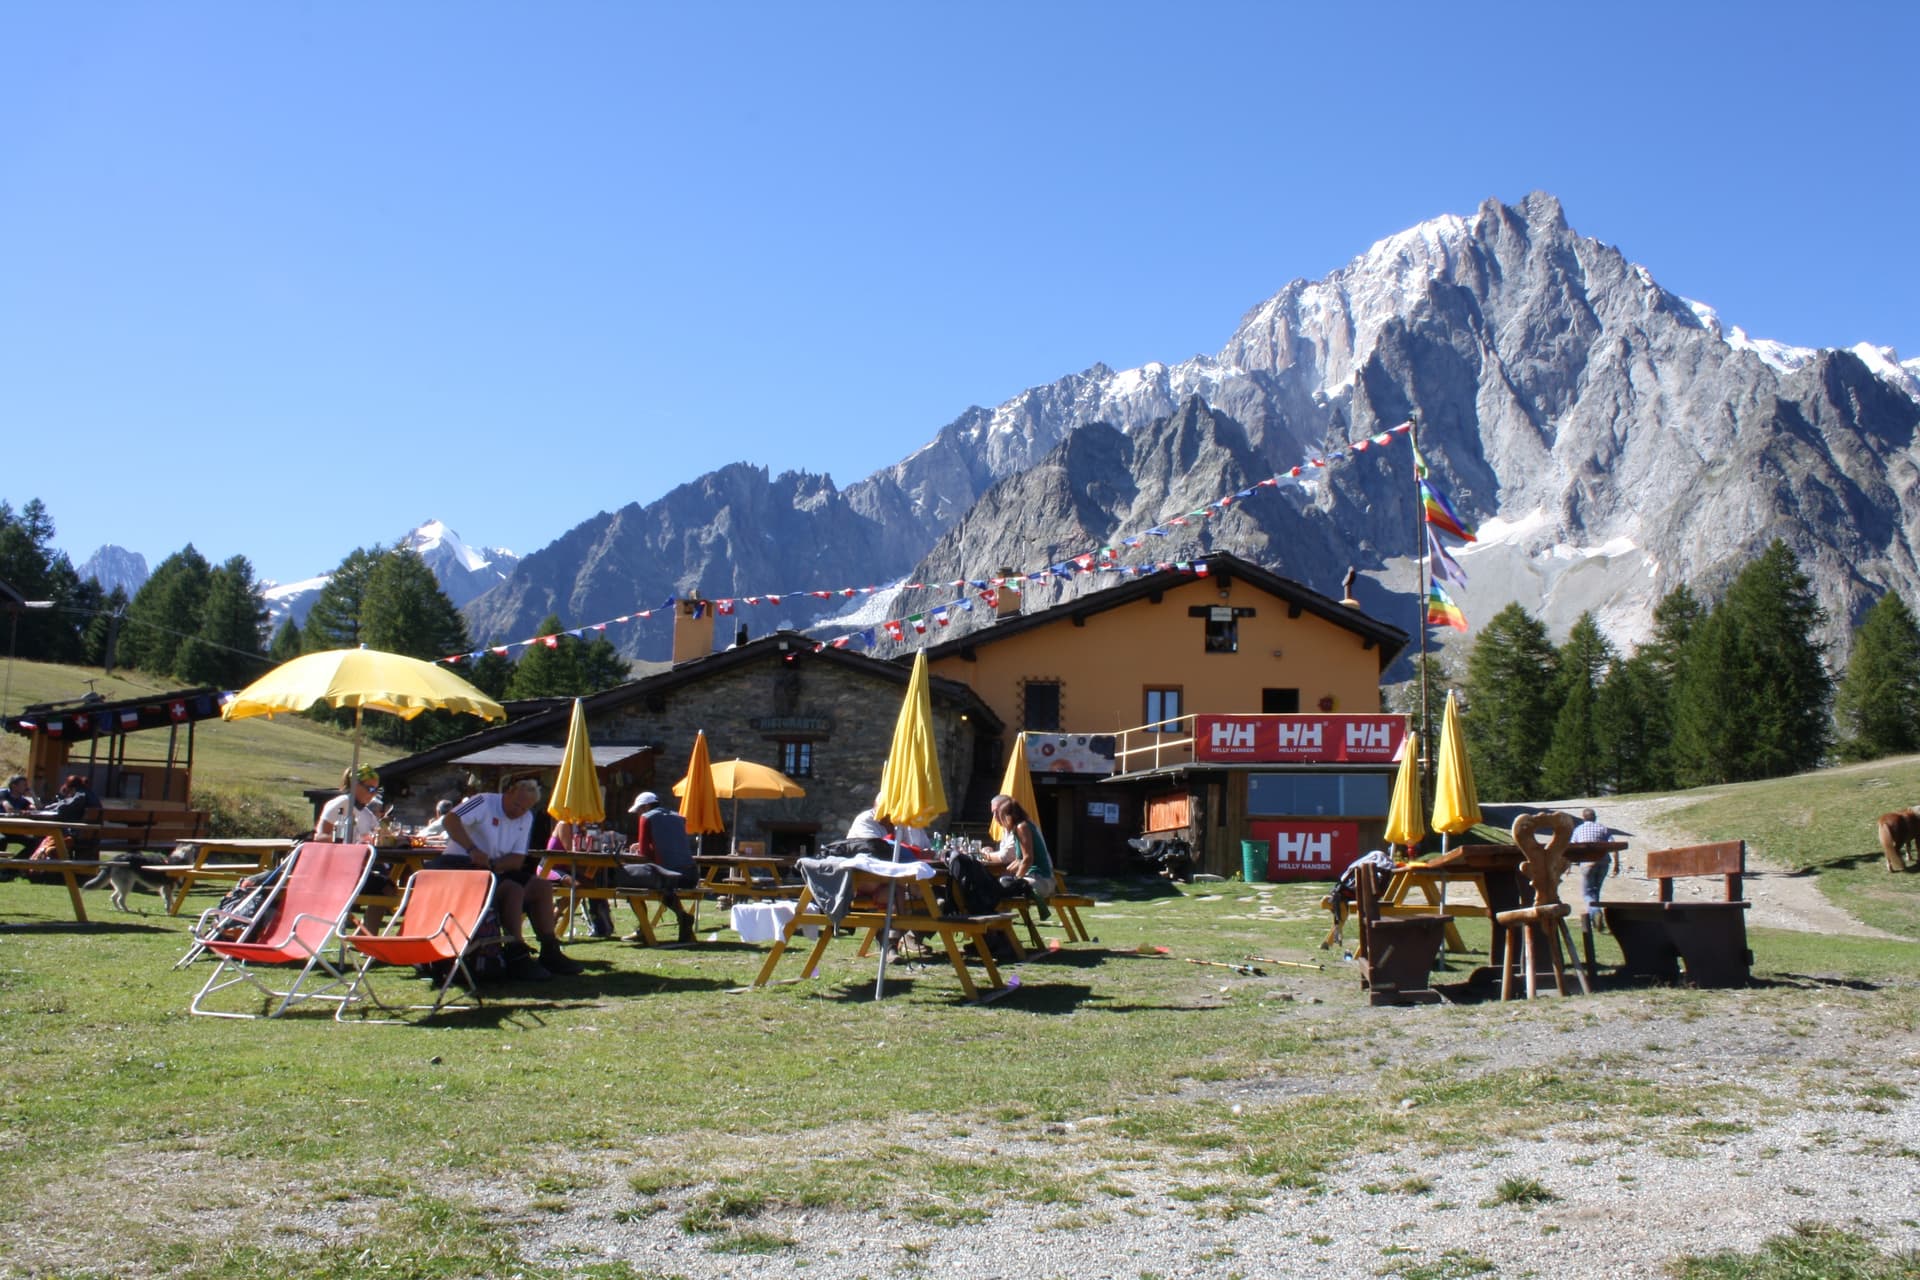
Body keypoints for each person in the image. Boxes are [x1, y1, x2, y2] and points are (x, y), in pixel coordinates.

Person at [436, 777, 583, 980]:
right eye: (516, 804)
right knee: (512, 889)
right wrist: (472, 849)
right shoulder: (484, 801)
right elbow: (449, 820)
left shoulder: (526, 818)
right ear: (509, 792)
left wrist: (493, 865)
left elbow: (517, 859)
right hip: (461, 865)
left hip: (493, 867)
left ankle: (550, 950)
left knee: (541, 886)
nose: (518, 811)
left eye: (525, 808)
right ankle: (516, 951)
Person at [617, 792, 699, 944]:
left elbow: (644, 854)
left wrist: (636, 849)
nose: (639, 814)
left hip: (668, 875)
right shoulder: (678, 817)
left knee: (628, 883)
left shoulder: (646, 818)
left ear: (646, 807)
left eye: (640, 810)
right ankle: (681, 917)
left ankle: (644, 928)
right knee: (662, 883)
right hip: (691, 874)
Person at [984, 794, 1056, 915]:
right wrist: (1007, 873)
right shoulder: (1018, 828)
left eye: (1000, 816)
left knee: (1001, 889)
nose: (999, 820)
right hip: (1033, 878)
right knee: (999, 884)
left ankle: (999, 926)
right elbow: (1018, 860)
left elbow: (1028, 859)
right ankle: (1000, 927)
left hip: (1040, 880)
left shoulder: (1022, 827)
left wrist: (1016, 878)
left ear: (1008, 816)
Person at [1571, 807, 1614, 929]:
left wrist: (1569, 864)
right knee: (1596, 891)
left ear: (1583, 818)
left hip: (1587, 863)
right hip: (1603, 862)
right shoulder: (1603, 828)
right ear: (1595, 817)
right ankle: (1593, 920)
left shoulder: (1578, 830)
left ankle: (1595, 912)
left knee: (1587, 893)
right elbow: (1612, 845)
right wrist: (1616, 863)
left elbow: (1572, 847)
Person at [316, 765, 382, 843]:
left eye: (376, 790)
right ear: (355, 785)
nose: (373, 794)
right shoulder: (341, 803)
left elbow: (378, 836)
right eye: (371, 789)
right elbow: (320, 836)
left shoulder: (367, 814)